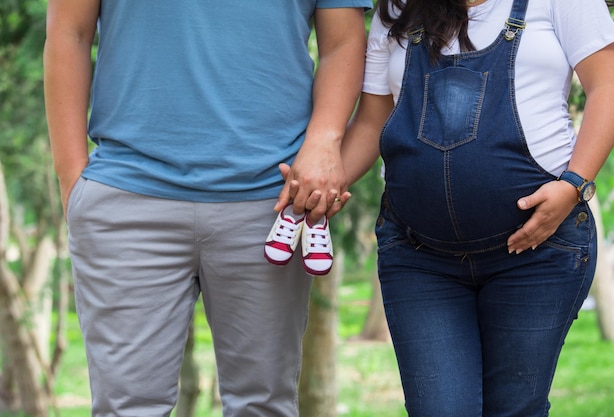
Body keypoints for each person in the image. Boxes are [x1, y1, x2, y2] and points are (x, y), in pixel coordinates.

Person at [43, 0, 370, 415]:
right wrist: (73, 179)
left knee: (263, 405)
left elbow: (342, 42)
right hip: (127, 198)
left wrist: (324, 141)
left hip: (271, 206)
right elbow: (69, 33)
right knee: (126, 409)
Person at [336, 0, 614, 415]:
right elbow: (372, 119)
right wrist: (326, 182)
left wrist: (574, 184)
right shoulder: (397, 8)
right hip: (419, 257)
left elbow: (609, 86)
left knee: (514, 408)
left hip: (537, 255)